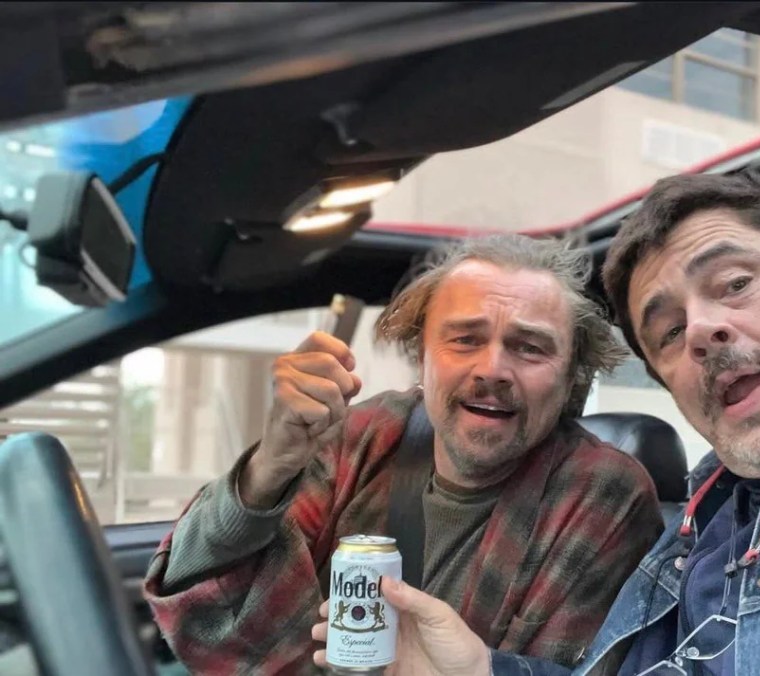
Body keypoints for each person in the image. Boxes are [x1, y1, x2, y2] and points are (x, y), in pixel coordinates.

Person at [328, 170, 760, 676]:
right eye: (666, 331)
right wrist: (484, 670)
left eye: (735, 284)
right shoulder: (689, 540)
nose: (701, 331)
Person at [144, 234, 663, 674]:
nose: (492, 370)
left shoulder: (604, 495)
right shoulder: (360, 436)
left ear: (571, 376)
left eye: (530, 347)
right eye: (465, 339)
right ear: (422, 356)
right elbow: (197, 590)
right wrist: (269, 468)